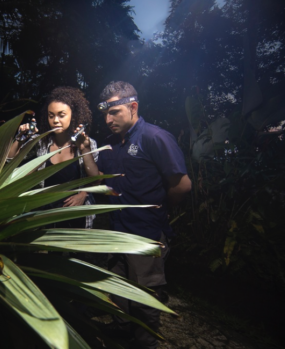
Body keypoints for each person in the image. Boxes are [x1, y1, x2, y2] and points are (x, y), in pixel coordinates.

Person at [95, 81, 191, 349]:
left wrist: (161, 208)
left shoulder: (155, 137)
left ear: (133, 107)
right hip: (117, 230)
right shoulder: (111, 143)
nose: (107, 119)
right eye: (105, 113)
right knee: (118, 285)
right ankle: (121, 328)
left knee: (145, 293)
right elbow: (103, 181)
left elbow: (182, 186)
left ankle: (145, 342)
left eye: (114, 112)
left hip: (146, 234)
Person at [7, 86, 99, 228]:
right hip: (47, 215)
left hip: (76, 215)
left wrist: (83, 194)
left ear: (73, 115)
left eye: (61, 115)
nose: (55, 120)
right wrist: (19, 139)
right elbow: (10, 162)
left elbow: (95, 180)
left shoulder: (88, 143)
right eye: (51, 115)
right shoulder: (41, 143)